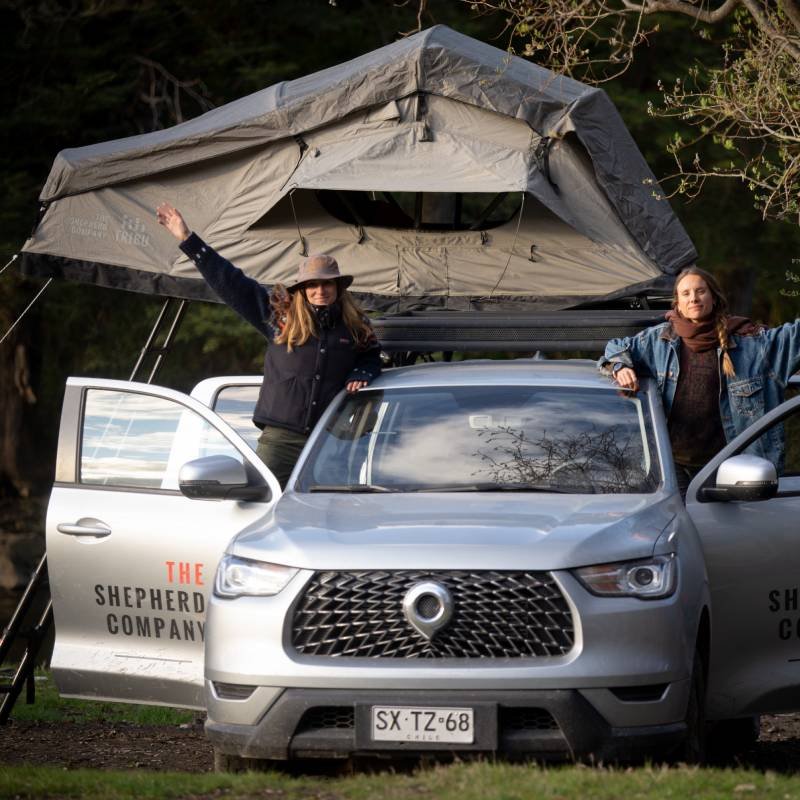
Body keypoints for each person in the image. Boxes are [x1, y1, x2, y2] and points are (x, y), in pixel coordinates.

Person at [156, 202, 381, 489]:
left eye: (327, 285)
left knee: (332, 511)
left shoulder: (356, 325)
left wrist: (363, 371)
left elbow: (374, 356)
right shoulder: (279, 318)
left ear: (338, 288)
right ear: (301, 290)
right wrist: (188, 239)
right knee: (262, 502)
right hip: (281, 440)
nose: (320, 290)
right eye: (313, 285)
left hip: (332, 438)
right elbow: (232, 283)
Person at [599, 266, 800, 495]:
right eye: (686, 293)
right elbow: (615, 347)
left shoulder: (753, 345)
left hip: (728, 470)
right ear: (677, 303)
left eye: (700, 291)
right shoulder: (658, 341)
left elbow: (796, 335)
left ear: (714, 297)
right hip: (669, 469)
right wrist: (620, 366)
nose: (693, 298)